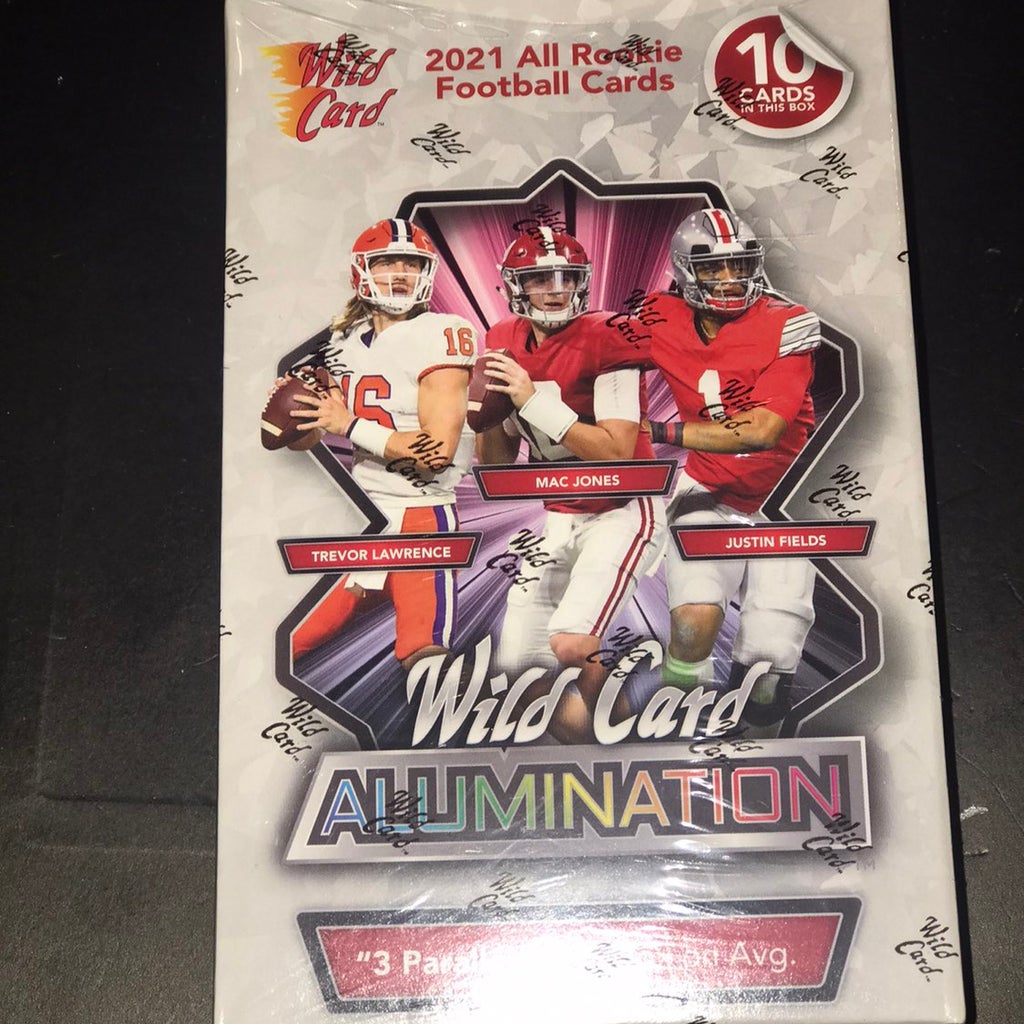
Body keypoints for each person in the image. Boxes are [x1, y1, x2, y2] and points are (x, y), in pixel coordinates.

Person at [476, 227, 666, 744]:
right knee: (519, 674)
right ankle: (603, 755)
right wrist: (486, 415)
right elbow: (498, 463)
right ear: (515, 286)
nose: (556, 289)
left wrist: (532, 401)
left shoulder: (609, 335)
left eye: (566, 277)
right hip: (559, 514)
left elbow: (617, 454)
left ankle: (625, 748)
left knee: (572, 643)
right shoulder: (501, 338)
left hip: (622, 507)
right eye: (540, 279)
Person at [641, 208, 822, 725]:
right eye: (713, 267)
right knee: (694, 622)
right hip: (711, 493)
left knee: (767, 668)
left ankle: (752, 749)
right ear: (684, 271)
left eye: (739, 265)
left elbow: (763, 430)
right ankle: (676, 727)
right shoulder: (659, 315)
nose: (729, 278)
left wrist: (658, 432)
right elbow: (597, 350)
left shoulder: (789, 322)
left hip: (783, 507)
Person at [277, 217, 476, 671]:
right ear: (362, 270)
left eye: (411, 263)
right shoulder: (342, 341)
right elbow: (310, 437)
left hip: (420, 514)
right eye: (388, 262)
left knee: (424, 657)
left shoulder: (442, 331)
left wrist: (349, 425)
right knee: (291, 638)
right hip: (361, 516)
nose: (401, 273)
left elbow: (437, 453)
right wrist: (296, 419)